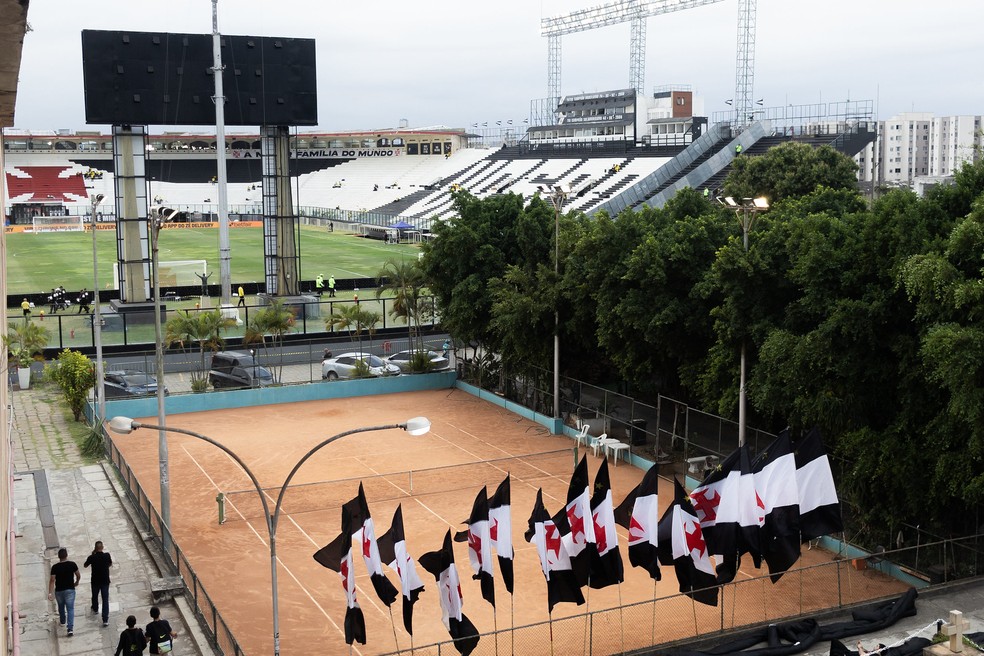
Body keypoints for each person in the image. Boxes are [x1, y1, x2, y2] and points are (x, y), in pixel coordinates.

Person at [48, 547, 80, 636]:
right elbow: (78, 575)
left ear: (59, 556)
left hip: (59, 591)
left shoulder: (55, 567)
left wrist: (50, 592)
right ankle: (70, 628)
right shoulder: (72, 564)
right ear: (66, 555)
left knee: (61, 607)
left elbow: (52, 580)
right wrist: (76, 582)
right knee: (70, 609)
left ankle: (62, 621)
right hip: (70, 590)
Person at [84, 540, 113, 625]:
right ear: (102, 547)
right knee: (105, 599)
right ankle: (105, 619)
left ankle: (95, 608)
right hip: (105, 580)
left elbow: (85, 565)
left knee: (95, 596)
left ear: (95, 548)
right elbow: (110, 564)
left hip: (95, 580)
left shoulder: (92, 557)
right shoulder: (107, 555)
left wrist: (93, 554)